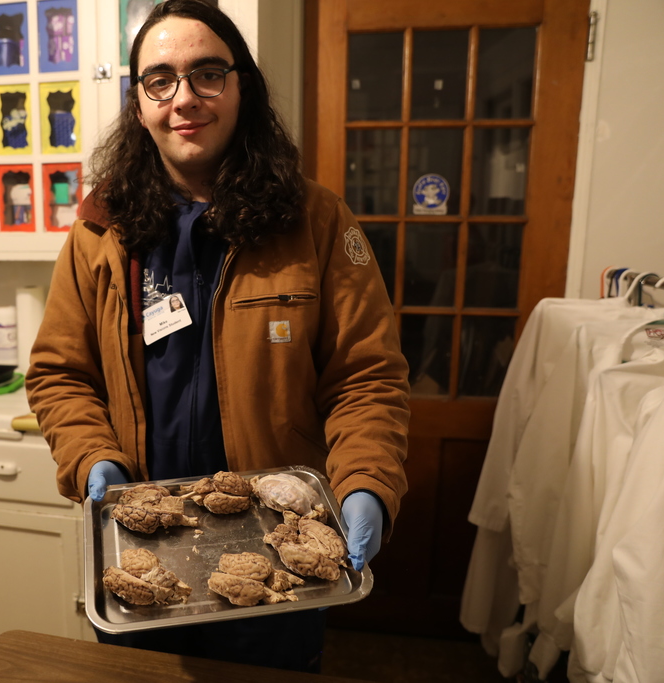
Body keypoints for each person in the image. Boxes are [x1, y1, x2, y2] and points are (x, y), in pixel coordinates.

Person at [25, 0, 409, 673]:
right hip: (143, 547)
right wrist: (92, 460)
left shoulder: (315, 219)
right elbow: (60, 374)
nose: (185, 98)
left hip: (273, 549)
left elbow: (365, 376)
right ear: (139, 103)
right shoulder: (99, 232)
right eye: (161, 80)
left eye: (207, 73)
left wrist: (368, 481)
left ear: (241, 86)